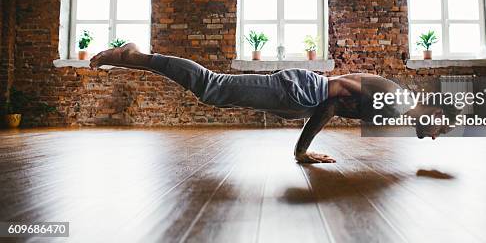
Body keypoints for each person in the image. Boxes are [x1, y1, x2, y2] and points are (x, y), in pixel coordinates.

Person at [90, 43, 452, 163]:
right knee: (211, 86)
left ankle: (135, 56)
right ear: (436, 112)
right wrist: (301, 150)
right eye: (441, 128)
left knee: (212, 90)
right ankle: (135, 56)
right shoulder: (394, 101)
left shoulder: (399, 107)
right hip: (299, 92)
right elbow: (333, 104)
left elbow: (338, 106)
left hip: (301, 97)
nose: (436, 135)